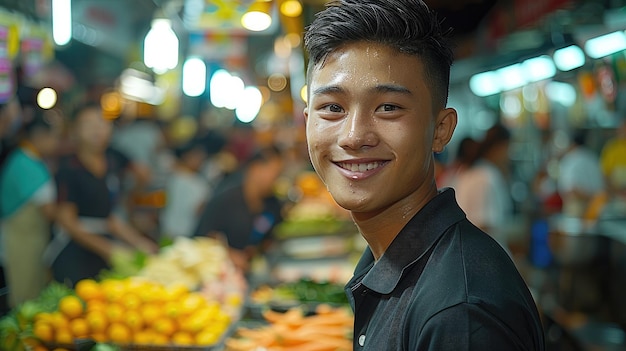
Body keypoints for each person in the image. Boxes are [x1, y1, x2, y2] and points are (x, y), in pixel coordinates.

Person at [302, 1, 545, 350]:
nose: (354, 136)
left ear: (441, 130)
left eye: (388, 107)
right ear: (307, 119)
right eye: (333, 108)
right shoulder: (390, 260)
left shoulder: (460, 315)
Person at [44, 104, 158, 286]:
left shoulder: (112, 161)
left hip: (104, 251)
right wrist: (109, 249)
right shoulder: (68, 169)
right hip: (74, 251)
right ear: (75, 131)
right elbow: (67, 222)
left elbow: (109, 218)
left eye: (102, 123)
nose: (97, 129)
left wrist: (139, 243)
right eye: (89, 124)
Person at [0, 109, 61, 306]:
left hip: (29, 239)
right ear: (40, 136)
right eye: (55, 137)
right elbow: (48, 211)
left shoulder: (25, 159)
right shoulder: (26, 165)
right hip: (21, 241)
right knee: (24, 298)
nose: (57, 143)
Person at [193, 144, 284, 273]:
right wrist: (228, 255)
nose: (277, 180)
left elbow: (273, 234)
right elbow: (201, 240)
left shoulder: (272, 203)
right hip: (222, 274)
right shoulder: (225, 200)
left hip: (254, 272)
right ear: (255, 169)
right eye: (275, 173)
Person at [454, 123, 514, 245]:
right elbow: (483, 225)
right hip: (482, 255)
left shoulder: (475, 171)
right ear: (500, 147)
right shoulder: (485, 176)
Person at [161, 134, 223, 238]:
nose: (200, 161)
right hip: (176, 230)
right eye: (196, 156)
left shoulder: (176, 177)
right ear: (186, 156)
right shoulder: (179, 178)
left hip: (179, 231)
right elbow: (200, 210)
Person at [557, 129, 604, 217]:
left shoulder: (569, 159)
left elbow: (571, 189)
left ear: (573, 144)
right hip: (596, 205)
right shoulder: (593, 158)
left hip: (576, 206)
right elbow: (601, 185)